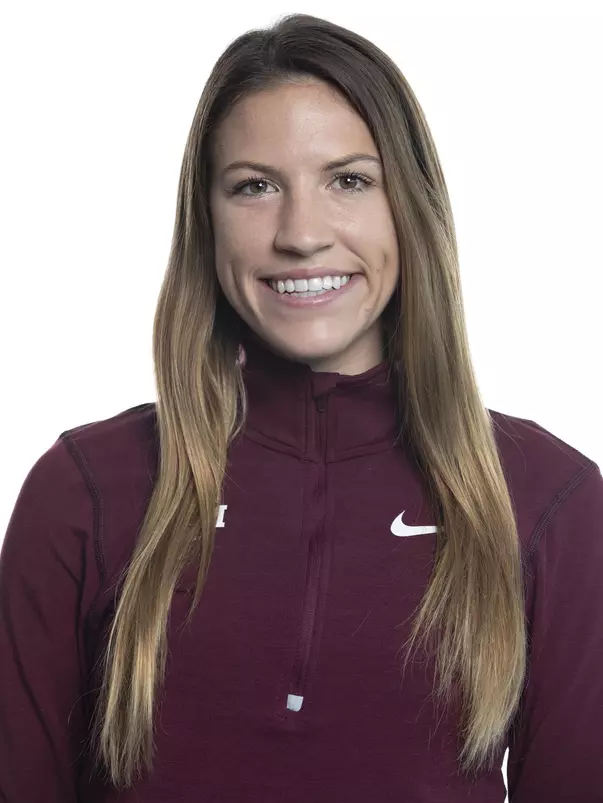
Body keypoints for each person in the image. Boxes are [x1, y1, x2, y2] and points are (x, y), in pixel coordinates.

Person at [1, 12, 602, 803]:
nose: (300, 233)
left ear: (408, 207)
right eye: (254, 186)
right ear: (206, 219)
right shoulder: (86, 488)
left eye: (348, 180)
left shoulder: (546, 500)